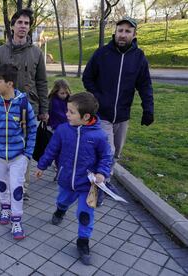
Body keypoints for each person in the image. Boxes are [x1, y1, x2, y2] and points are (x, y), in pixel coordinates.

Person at [82, 16, 154, 206]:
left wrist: (148, 109)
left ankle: (104, 178)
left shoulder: (139, 58)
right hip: (103, 114)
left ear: (134, 34)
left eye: (127, 31)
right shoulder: (102, 54)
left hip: (122, 116)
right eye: (120, 30)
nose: (123, 35)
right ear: (115, 32)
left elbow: (145, 85)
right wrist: (98, 97)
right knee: (109, 149)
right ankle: (100, 185)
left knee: (116, 153)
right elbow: (87, 77)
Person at [35, 92, 112, 265]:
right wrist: (41, 165)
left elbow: (106, 157)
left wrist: (102, 173)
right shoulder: (63, 130)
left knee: (85, 213)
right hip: (66, 181)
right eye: (67, 111)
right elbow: (51, 150)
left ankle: (83, 241)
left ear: (85, 116)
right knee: (63, 200)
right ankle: (60, 210)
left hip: (87, 185)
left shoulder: (99, 135)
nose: (66, 114)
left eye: (71, 112)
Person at [0, 8, 48, 201]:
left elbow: (42, 82)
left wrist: (44, 109)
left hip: (28, 109)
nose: (23, 26)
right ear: (12, 26)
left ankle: (22, 187)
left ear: (30, 28)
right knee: (6, 146)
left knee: (24, 149)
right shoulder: (0, 52)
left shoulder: (37, 53)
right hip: (3, 110)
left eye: (27, 23)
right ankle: (7, 182)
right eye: (19, 22)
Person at [0, 64, 37, 240]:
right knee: (2, 185)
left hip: (18, 156)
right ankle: (5, 209)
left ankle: (17, 220)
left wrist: (27, 153)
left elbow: (32, 128)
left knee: (16, 187)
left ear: (10, 84)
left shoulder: (23, 104)